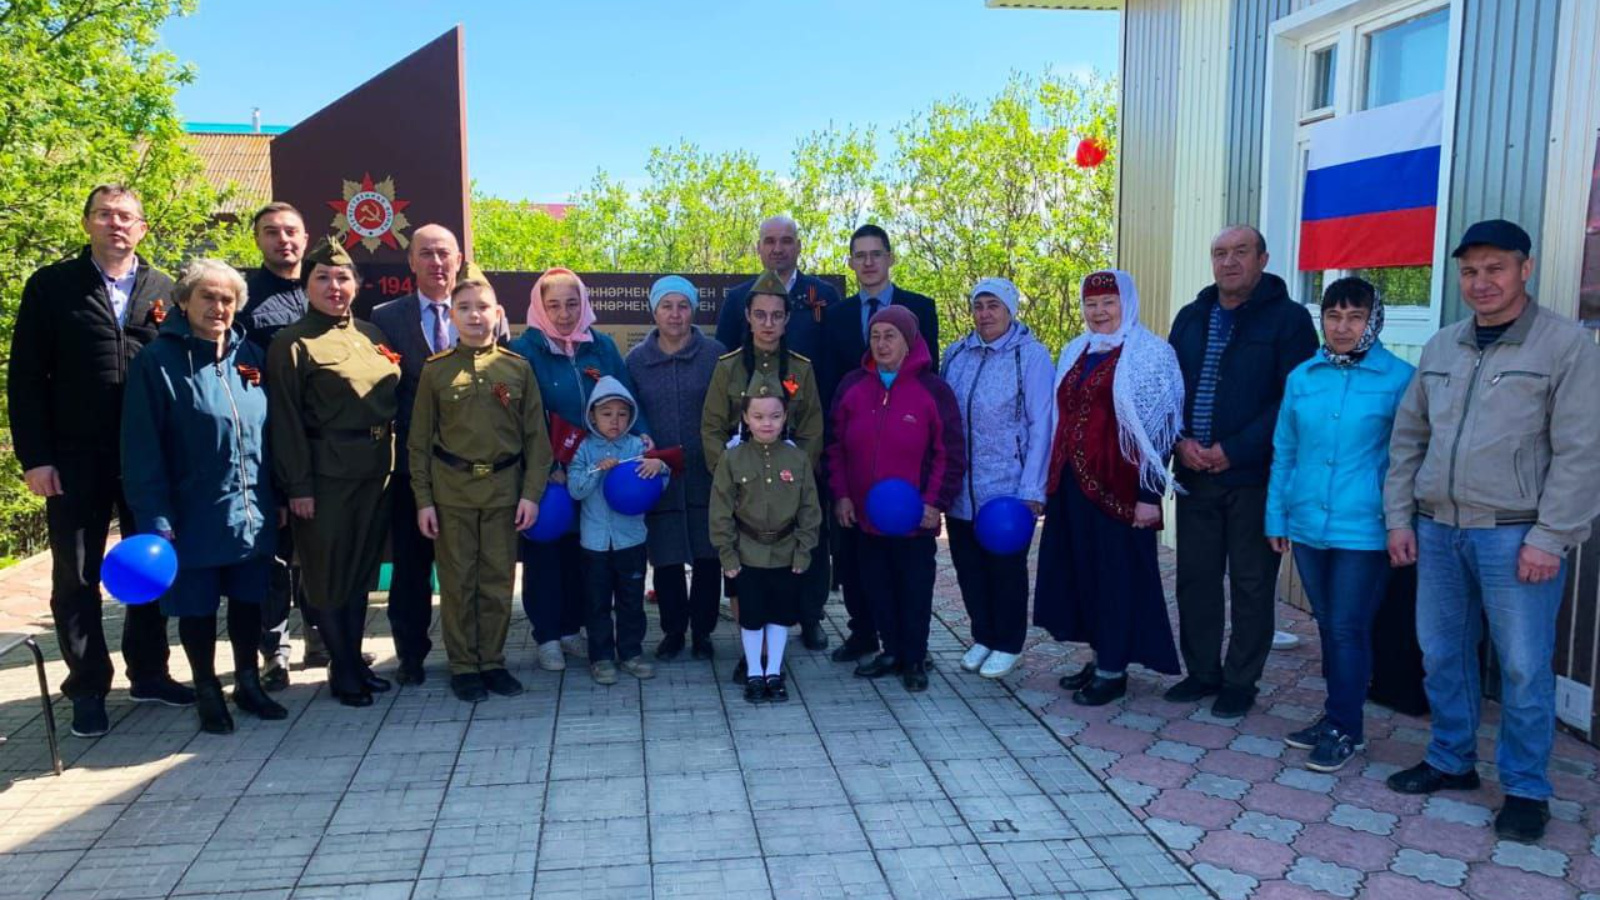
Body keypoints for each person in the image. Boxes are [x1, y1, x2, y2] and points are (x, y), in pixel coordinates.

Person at [1383, 220, 1600, 843]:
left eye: (1495, 268)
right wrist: (1400, 518)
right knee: (1442, 655)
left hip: (1515, 536)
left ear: (1524, 269)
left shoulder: (1565, 346)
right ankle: (1451, 760)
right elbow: (1408, 439)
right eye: (1470, 271)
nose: (1481, 282)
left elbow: (1582, 452)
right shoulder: (1442, 347)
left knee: (1524, 668)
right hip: (1439, 530)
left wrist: (1550, 537)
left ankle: (1527, 788)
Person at [8, 184, 191, 738]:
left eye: (126, 216)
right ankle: (87, 686)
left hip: (148, 455)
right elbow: (26, 379)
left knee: (150, 564)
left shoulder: (166, 289)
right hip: (74, 456)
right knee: (77, 574)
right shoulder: (53, 286)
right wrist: (37, 458)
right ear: (87, 222)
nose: (116, 224)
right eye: (105, 215)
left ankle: (150, 672)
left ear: (142, 228)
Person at [121, 259, 288, 734]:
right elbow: (141, 447)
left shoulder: (248, 355)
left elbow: (269, 434)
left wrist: (276, 496)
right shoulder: (157, 362)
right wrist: (154, 517)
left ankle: (248, 683)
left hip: (250, 508)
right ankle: (207, 689)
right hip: (190, 511)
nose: (218, 307)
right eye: (208, 297)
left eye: (227, 299)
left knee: (248, 601)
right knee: (197, 607)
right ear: (184, 301)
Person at [1166, 225, 1318, 718]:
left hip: (1253, 477)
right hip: (1194, 473)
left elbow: (1293, 398)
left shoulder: (1289, 320)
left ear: (1263, 258)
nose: (1229, 262)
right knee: (1196, 579)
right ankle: (1202, 672)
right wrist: (1179, 441)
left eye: (1240, 252)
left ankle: (1240, 681)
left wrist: (1235, 449)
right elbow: (1167, 390)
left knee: (1252, 584)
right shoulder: (1191, 317)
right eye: (1220, 253)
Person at [1265, 277, 1413, 771]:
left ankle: (1345, 727)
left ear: (1373, 321)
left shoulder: (1399, 379)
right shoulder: (1303, 376)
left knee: (1348, 627)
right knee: (1329, 625)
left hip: (1365, 528)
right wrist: (1277, 515)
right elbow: (1285, 451)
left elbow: (1408, 459)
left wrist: (1399, 522)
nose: (1343, 327)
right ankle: (1337, 715)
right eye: (1333, 316)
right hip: (1308, 524)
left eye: (1355, 317)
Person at [1034, 271, 1185, 705]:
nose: (1098, 312)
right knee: (1083, 575)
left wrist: (1149, 497)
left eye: (1108, 303)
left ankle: (1113, 669)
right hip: (1073, 486)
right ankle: (1100, 654)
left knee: (1116, 578)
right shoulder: (1076, 350)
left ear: (1127, 304)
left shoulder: (1151, 354)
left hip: (1119, 490)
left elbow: (1160, 432)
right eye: (1091, 303)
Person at [267, 237, 400, 708]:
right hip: (325, 477)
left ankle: (354, 662)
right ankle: (342, 669)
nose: (333, 286)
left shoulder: (372, 334)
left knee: (361, 572)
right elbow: (285, 421)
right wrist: (297, 486)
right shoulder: (292, 342)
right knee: (327, 574)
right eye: (322, 278)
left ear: (356, 285)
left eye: (342, 277)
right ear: (307, 286)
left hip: (377, 471)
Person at [409, 278, 552, 703]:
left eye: (483, 306)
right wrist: (424, 501)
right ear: (452, 316)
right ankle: (463, 666)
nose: (475, 315)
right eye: (465, 307)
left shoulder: (517, 368)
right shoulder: (436, 371)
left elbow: (537, 440)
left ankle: (491, 661)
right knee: (457, 584)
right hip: (452, 494)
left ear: (498, 314)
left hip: (504, 492)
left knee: (496, 582)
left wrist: (530, 494)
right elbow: (419, 442)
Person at [509, 268, 651, 671]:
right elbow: (522, 414)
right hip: (550, 469)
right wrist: (545, 465)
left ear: (584, 304)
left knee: (583, 553)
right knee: (546, 550)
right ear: (540, 307)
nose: (564, 314)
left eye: (572, 304)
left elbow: (625, 395)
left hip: (597, 466)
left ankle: (573, 628)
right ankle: (547, 635)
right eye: (553, 305)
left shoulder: (601, 347)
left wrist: (642, 434)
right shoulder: (524, 350)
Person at [828, 306, 966, 692]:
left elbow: (950, 452)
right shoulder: (853, 386)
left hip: (914, 518)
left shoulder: (933, 390)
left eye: (891, 336)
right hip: (865, 517)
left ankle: (915, 657)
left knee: (914, 590)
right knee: (877, 586)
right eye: (875, 336)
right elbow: (834, 446)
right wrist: (841, 495)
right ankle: (890, 651)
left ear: (909, 341)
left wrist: (935, 502)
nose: (882, 343)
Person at [822, 224, 942, 665]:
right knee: (856, 559)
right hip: (855, 456)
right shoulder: (836, 315)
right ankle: (864, 634)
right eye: (860, 255)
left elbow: (930, 383)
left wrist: (933, 493)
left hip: (906, 464)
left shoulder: (920, 307)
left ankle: (911, 649)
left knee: (909, 567)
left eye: (876, 254)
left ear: (890, 258)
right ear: (851, 262)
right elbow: (830, 383)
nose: (869, 262)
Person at [702, 270, 825, 678]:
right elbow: (711, 427)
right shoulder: (729, 368)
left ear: (787, 319)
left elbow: (811, 429)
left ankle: (774, 657)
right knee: (744, 577)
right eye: (760, 315)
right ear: (748, 317)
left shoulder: (800, 370)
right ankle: (750, 654)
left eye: (776, 315)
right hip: (743, 489)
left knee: (783, 577)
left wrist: (797, 476)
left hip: (786, 488)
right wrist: (728, 475)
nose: (768, 323)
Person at [941, 277, 1054, 680]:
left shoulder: (1031, 356)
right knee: (968, 567)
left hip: (1007, 490)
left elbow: (1043, 423)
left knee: (1005, 570)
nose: (985, 314)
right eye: (978, 306)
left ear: (1010, 310)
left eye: (993, 306)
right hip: (961, 489)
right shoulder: (957, 354)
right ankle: (983, 635)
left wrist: (1033, 487)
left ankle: (1008, 642)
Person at [370, 224, 463, 685]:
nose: (436, 262)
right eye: (426, 254)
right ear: (411, 262)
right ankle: (410, 655)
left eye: (444, 253)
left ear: (459, 260)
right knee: (410, 568)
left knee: (465, 566)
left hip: (467, 466)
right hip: (410, 465)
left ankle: (471, 653)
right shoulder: (384, 318)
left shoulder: (482, 313)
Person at [626, 275, 726, 661]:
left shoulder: (715, 354)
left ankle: (703, 632)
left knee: (707, 555)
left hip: (706, 471)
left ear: (693, 310)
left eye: (683, 306)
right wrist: (646, 443)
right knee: (665, 556)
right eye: (666, 306)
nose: (675, 314)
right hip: (659, 473)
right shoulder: (636, 360)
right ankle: (673, 631)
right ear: (654, 311)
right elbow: (631, 411)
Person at [709, 382, 822, 703]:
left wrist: (804, 550)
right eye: (758, 416)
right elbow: (720, 511)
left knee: (780, 615)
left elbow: (809, 509)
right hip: (747, 551)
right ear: (745, 418)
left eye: (775, 415)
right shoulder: (732, 459)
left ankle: (773, 671)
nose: (767, 423)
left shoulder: (797, 459)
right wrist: (727, 554)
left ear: (785, 416)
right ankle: (754, 674)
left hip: (786, 552)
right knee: (752, 616)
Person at [238, 202, 309, 691]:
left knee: (318, 550)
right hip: (265, 440)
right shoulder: (243, 296)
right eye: (271, 232)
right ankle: (274, 650)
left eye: (290, 231)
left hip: (321, 441)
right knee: (275, 554)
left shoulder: (325, 287)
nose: (282, 240)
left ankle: (323, 637)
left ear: (305, 238)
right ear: (258, 240)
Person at [566, 377, 667, 685]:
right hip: (595, 544)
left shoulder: (637, 446)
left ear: (631, 416)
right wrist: (598, 471)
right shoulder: (584, 448)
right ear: (592, 416)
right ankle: (601, 657)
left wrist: (659, 467)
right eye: (606, 413)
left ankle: (631, 653)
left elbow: (659, 484)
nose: (615, 420)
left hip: (631, 541)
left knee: (631, 600)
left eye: (622, 414)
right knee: (597, 602)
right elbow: (575, 489)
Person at [714, 215, 842, 362]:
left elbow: (835, 356)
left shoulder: (824, 295)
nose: (777, 249)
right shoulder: (737, 298)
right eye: (770, 241)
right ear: (759, 247)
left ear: (799, 246)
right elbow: (725, 358)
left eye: (786, 241)